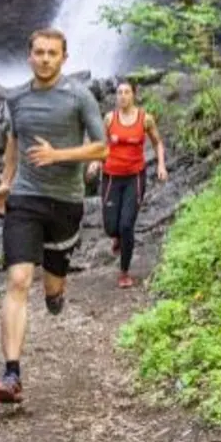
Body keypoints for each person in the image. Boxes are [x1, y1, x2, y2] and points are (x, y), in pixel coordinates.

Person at [0, 28, 108, 404]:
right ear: (29, 56)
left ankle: (56, 294)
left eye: (52, 53)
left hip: (66, 202)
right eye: (38, 52)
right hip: (25, 197)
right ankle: (11, 374)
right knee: (19, 279)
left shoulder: (78, 96)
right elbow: (14, 141)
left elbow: (102, 147)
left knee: (51, 287)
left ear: (64, 58)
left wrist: (58, 156)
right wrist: (5, 182)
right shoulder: (16, 98)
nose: (44, 59)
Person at [90, 81, 168, 290]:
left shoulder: (145, 119)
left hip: (135, 177)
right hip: (111, 177)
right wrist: (96, 162)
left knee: (126, 225)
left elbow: (157, 143)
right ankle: (116, 238)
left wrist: (161, 165)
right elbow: (101, 144)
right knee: (110, 227)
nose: (122, 96)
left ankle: (124, 272)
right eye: (119, 93)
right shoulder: (109, 119)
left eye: (126, 92)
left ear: (133, 95)